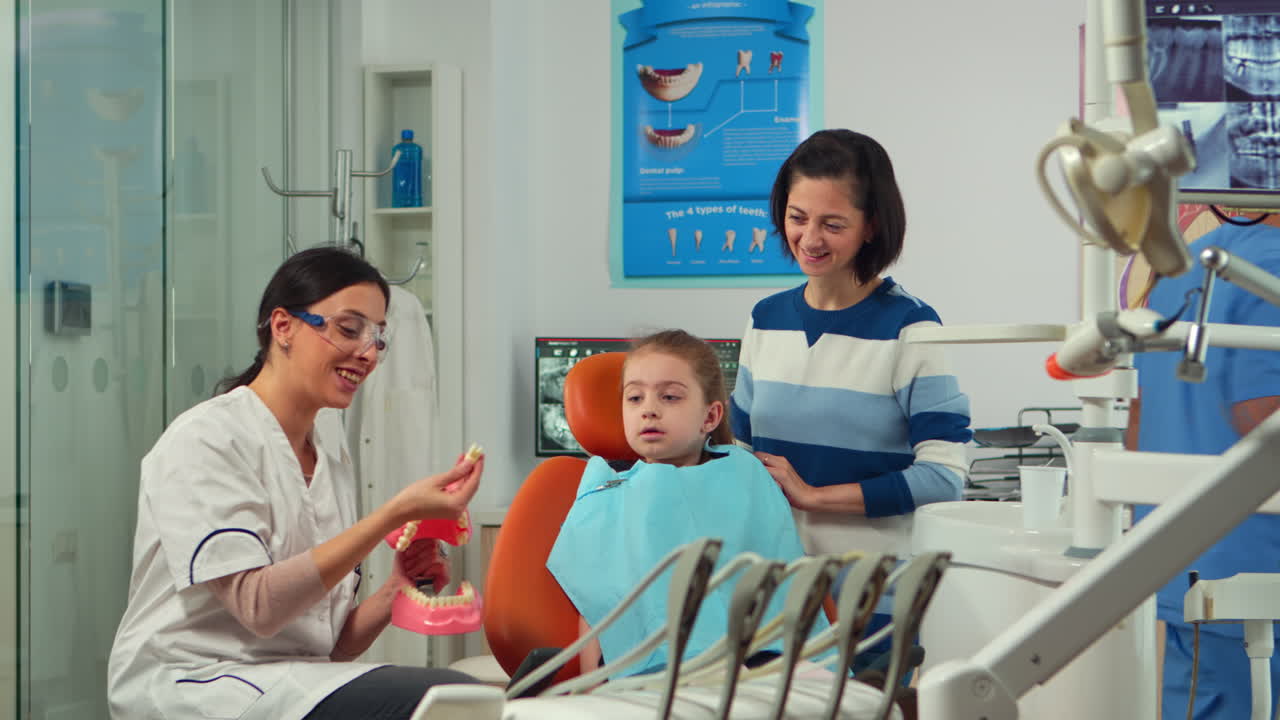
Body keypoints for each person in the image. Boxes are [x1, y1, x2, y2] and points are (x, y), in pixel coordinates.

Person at [107, 247, 484, 720]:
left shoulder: (330, 460)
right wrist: (392, 515)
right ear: (282, 326)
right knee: (445, 695)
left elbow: (326, 647)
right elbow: (259, 606)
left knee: (460, 697)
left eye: (379, 339)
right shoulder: (207, 440)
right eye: (350, 329)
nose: (368, 353)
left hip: (286, 684)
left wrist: (396, 589)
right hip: (193, 684)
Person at [729, 129, 972, 669]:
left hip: (871, 595)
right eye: (797, 217)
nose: (809, 238)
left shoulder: (912, 328)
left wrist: (815, 496)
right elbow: (739, 454)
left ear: (872, 227)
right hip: (775, 589)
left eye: (832, 224)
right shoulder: (765, 320)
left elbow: (945, 475)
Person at [546, 329, 819, 677]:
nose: (649, 410)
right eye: (634, 398)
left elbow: (779, 586)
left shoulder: (742, 475)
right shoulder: (607, 490)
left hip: (753, 657)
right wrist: (591, 687)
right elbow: (596, 600)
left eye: (670, 397)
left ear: (710, 416)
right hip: (644, 670)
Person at [1127, 212, 1280, 719]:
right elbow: (1262, 414)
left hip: (1181, 565)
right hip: (1254, 581)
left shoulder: (1182, 267)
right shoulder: (1270, 265)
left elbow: (1138, 421)